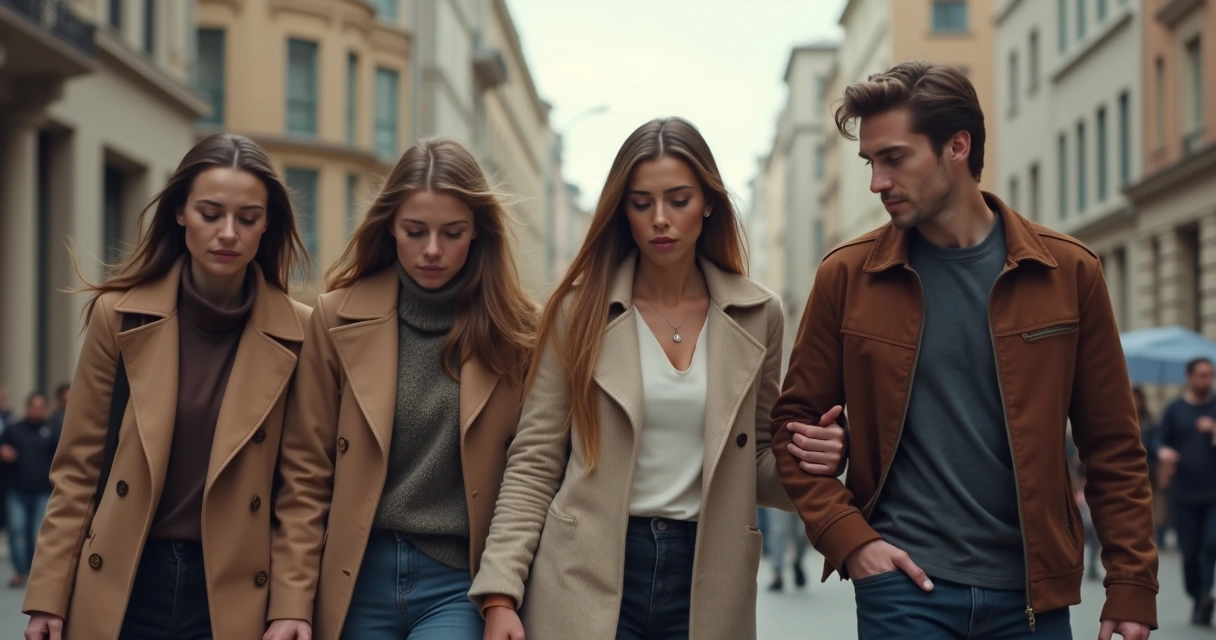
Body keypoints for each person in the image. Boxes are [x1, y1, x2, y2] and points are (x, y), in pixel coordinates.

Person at [772, 61, 1157, 640]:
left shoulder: (1068, 271)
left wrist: (1131, 582)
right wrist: (851, 542)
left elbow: (1113, 445)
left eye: (894, 158)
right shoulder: (846, 276)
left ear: (957, 146)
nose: (877, 182)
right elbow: (792, 427)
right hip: (903, 591)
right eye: (870, 162)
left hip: (1031, 596)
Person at [469, 117, 845, 640]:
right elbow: (535, 460)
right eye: (641, 203)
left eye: (678, 200)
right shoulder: (578, 311)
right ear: (622, 211)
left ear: (708, 203)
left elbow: (756, 463)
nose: (660, 219)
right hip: (584, 570)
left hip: (707, 575)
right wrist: (500, 593)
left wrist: (817, 458)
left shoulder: (758, 314)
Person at [22, 133, 312, 640]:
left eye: (247, 218)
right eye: (210, 213)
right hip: (125, 579)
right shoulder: (119, 317)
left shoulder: (302, 333)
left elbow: (301, 489)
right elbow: (78, 469)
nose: (228, 233)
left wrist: (292, 604)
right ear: (180, 211)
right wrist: (49, 594)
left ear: (267, 224)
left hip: (234, 591)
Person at [264, 138, 538, 640]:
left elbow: (531, 474)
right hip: (354, 575)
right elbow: (305, 473)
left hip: (459, 582)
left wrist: (503, 591)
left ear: (477, 231)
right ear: (390, 226)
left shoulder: (518, 333)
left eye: (451, 233)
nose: (432, 249)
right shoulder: (334, 317)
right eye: (415, 231)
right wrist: (291, 603)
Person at [1156, 357, 1216, 626]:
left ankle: (1205, 595)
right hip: (1183, 492)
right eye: (1202, 375)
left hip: (1213, 493)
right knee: (1190, 551)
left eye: (1210, 375)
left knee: (1211, 543)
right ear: (1189, 377)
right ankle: (1196, 596)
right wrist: (1162, 450)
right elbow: (1157, 438)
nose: (1207, 380)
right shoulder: (1175, 409)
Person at [1, 392, 59, 587]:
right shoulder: (13, 429)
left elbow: (60, 458)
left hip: (42, 491)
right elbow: (2, 447)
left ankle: (35, 572)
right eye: (34, 407)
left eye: (41, 407)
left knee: (37, 533)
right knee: (17, 530)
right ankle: (20, 571)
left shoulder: (51, 431)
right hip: (16, 491)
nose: (37, 411)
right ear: (27, 408)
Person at [765, 507, 808, 592]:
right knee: (778, 532)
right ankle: (777, 574)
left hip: (801, 499)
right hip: (778, 499)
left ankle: (797, 562)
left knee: (802, 532)